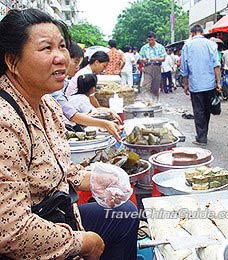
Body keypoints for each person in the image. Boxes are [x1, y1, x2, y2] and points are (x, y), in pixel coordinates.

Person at [0, 8, 138, 259]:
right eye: (46, 48)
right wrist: (82, 242)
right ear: (12, 61)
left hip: (59, 213)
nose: (61, 58)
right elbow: (10, 229)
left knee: (125, 214)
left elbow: (59, 167)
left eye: (62, 46)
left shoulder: (49, 105)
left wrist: (95, 180)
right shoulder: (5, 120)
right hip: (25, 237)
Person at [51, 42, 122, 140]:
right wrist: (105, 123)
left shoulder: (65, 84)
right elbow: (73, 115)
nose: (77, 67)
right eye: (75, 62)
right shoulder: (57, 88)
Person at [180, 24, 221, 146]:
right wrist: (218, 82)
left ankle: (201, 138)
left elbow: (184, 68)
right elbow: (216, 64)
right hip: (210, 84)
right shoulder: (211, 44)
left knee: (199, 111)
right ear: (202, 33)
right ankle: (204, 134)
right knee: (207, 110)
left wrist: (185, 84)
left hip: (196, 84)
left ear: (192, 33)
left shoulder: (187, 45)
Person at [139, 32, 166, 103]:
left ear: (155, 39)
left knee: (155, 86)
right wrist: (143, 60)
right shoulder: (144, 48)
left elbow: (163, 58)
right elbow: (140, 58)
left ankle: (155, 102)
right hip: (147, 67)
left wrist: (156, 59)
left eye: (152, 40)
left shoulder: (160, 47)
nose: (150, 41)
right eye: (149, 40)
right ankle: (146, 102)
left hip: (157, 67)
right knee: (146, 85)